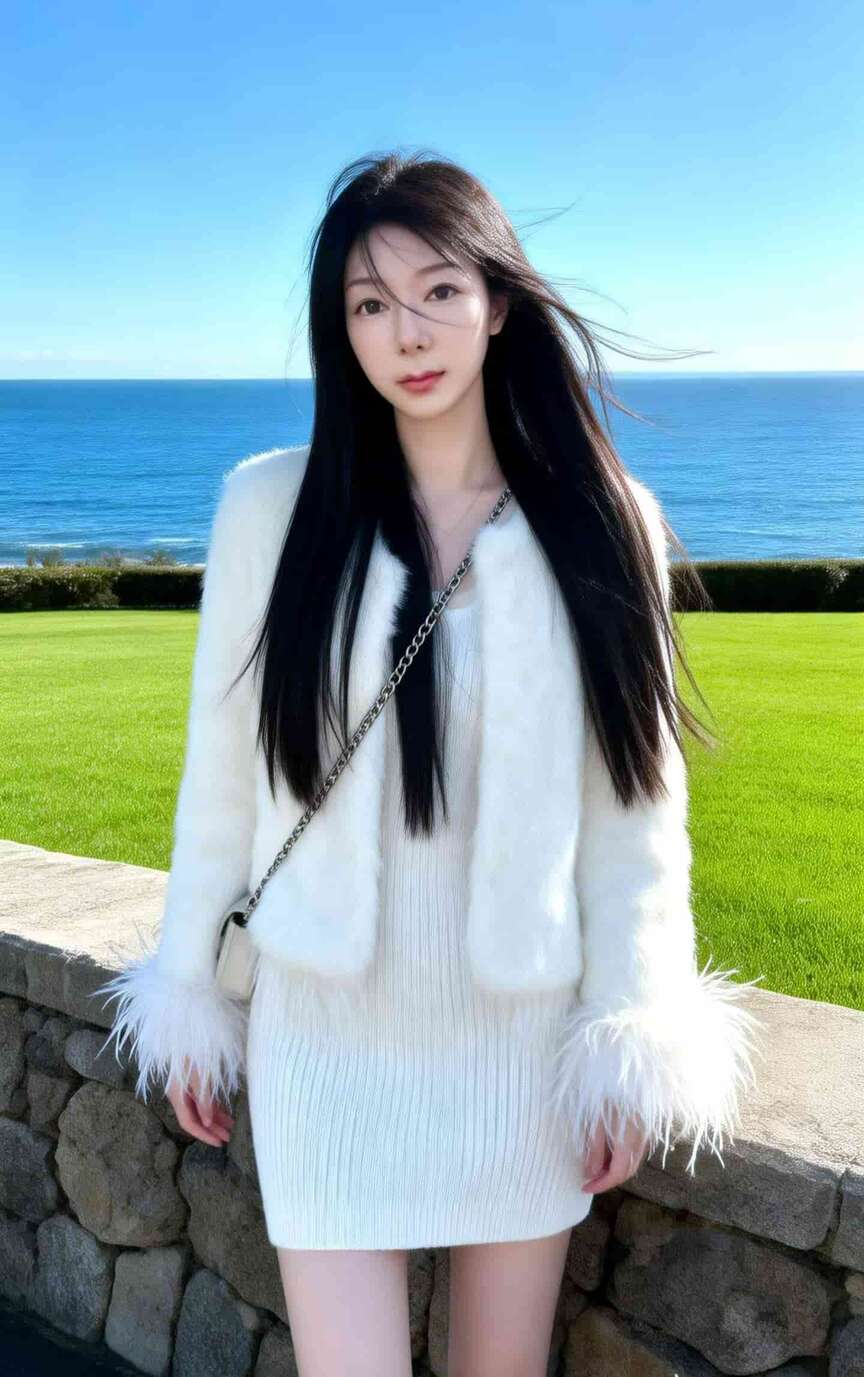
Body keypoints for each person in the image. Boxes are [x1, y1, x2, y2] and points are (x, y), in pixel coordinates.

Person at [94, 151, 766, 1377]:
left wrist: (628, 1041)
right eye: (368, 303)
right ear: (337, 328)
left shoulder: (604, 518)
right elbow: (224, 782)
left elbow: (635, 815)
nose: (406, 334)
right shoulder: (268, 511)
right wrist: (192, 995)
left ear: (498, 303)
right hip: (324, 1044)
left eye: (439, 291)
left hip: (519, 1050)